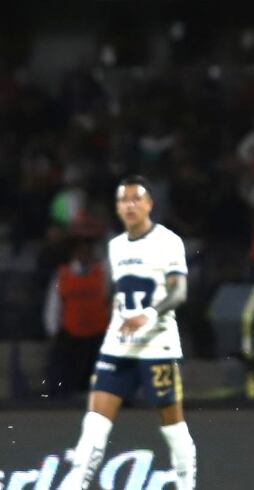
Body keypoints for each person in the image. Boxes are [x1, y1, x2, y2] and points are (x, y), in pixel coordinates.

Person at [60, 176, 196, 490]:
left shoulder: (168, 241)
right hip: (119, 346)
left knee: (172, 425)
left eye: (136, 199)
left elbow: (179, 293)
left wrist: (148, 315)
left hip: (158, 346)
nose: (129, 205)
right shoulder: (115, 246)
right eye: (123, 200)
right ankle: (76, 483)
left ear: (149, 204)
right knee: (94, 423)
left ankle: (187, 483)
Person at [43, 233, 111, 396]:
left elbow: (110, 298)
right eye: (80, 251)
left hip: (98, 332)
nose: (84, 254)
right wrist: (53, 329)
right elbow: (54, 304)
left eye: (88, 250)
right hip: (71, 332)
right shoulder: (62, 274)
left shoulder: (103, 273)